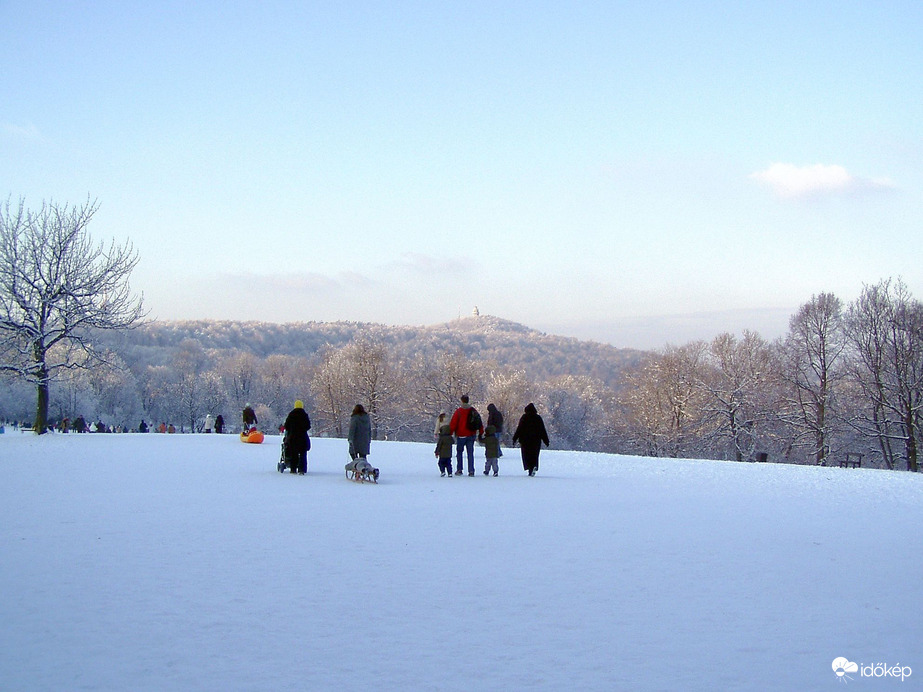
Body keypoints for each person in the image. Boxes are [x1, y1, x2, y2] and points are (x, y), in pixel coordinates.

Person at [512, 403, 550, 476]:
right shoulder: (538, 418)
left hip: (525, 440)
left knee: (526, 455)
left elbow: (519, 429)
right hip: (536, 440)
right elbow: (542, 430)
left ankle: (530, 468)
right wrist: (546, 441)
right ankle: (534, 466)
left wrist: (515, 438)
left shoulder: (524, 417)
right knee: (534, 454)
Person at [450, 395, 483, 476]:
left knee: (459, 453)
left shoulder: (458, 411)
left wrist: (450, 433)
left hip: (461, 435)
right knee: (470, 453)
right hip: (471, 435)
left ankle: (459, 469)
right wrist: (481, 432)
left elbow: (453, 423)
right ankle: (471, 471)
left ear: (462, 401)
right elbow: (479, 421)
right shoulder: (473, 410)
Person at [282, 400, 311, 475]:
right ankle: (302, 469)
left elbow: (286, 426)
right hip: (302, 438)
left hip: (293, 438)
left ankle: (293, 469)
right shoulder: (304, 415)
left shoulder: (291, 415)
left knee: (293, 453)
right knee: (303, 454)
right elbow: (308, 426)